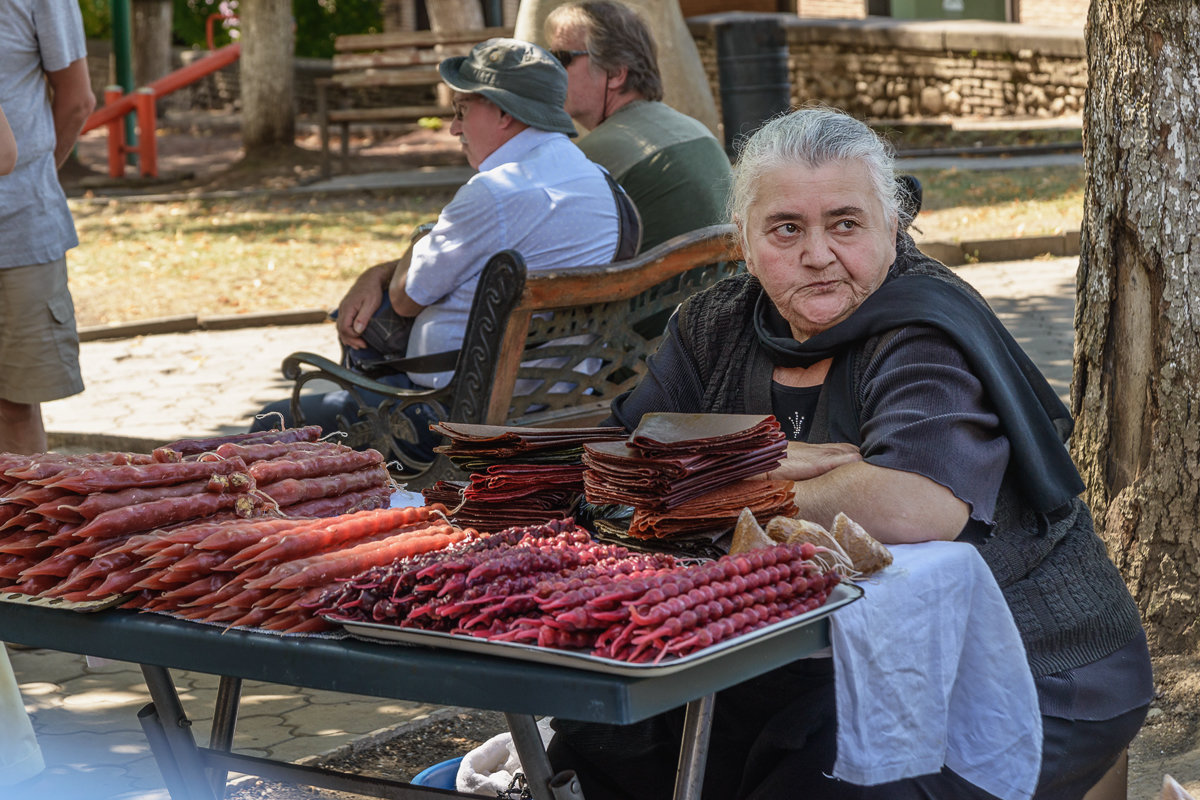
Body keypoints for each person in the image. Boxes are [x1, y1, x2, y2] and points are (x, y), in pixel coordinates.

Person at [546, 107, 1154, 799]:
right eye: (785, 229)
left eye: (845, 223)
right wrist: (748, 465)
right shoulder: (715, 324)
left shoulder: (924, 324)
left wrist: (725, 474)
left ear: (891, 228)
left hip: (1019, 661)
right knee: (603, 744)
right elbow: (619, 464)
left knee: (825, 782)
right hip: (800, 656)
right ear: (743, 242)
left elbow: (914, 504)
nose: (817, 253)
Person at [253, 38, 631, 459]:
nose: (454, 128)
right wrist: (379, 271)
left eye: (461, 110)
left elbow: (405, 297)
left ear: (504, 112)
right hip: (564, 406)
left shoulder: (496, 192)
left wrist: (420, 234)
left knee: (271, 421)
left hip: (457, 418)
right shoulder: (598, 182)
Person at [544, 0, 732, 252]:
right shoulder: (697, 130)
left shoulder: (590, 157)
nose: (552, 70)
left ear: (616, 72)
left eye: (561, 58)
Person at [0, 0, 95, 456]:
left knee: (14, 405)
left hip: (22, 229)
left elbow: (77, 100)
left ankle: (21, 524)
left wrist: (34, 179)